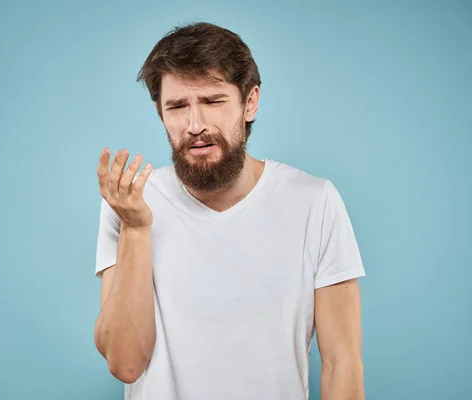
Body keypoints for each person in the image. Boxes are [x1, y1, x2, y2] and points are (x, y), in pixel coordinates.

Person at [93, 22, 366, 400]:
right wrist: (136, 230)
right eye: (177, 106)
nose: (195, 125)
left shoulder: (315, 201)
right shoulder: (131, 203)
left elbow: (342, 363)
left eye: (213, 101)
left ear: (249, 102)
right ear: (160, 112)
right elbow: (125, 363)